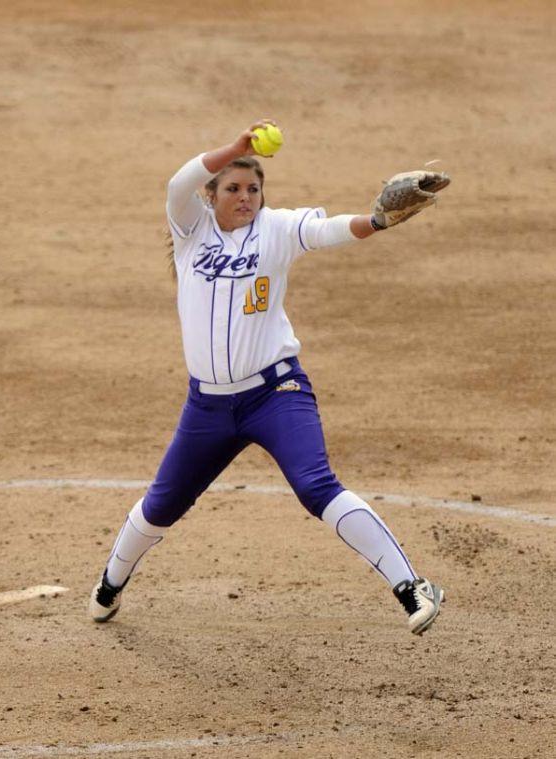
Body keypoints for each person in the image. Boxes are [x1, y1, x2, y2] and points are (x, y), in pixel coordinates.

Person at [89, 120, 447, 635]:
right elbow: (176, 184)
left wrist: (377, 220)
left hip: (275, 394)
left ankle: (411, 586)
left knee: (315, 485)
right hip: (208, 408)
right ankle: (109, 584)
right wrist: (234, 148)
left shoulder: (276, 230)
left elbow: (328, 231)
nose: (244, 197)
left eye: (253, 188)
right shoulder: (190, 231)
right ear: (210, 196)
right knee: (162, 505)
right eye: (232, 188)